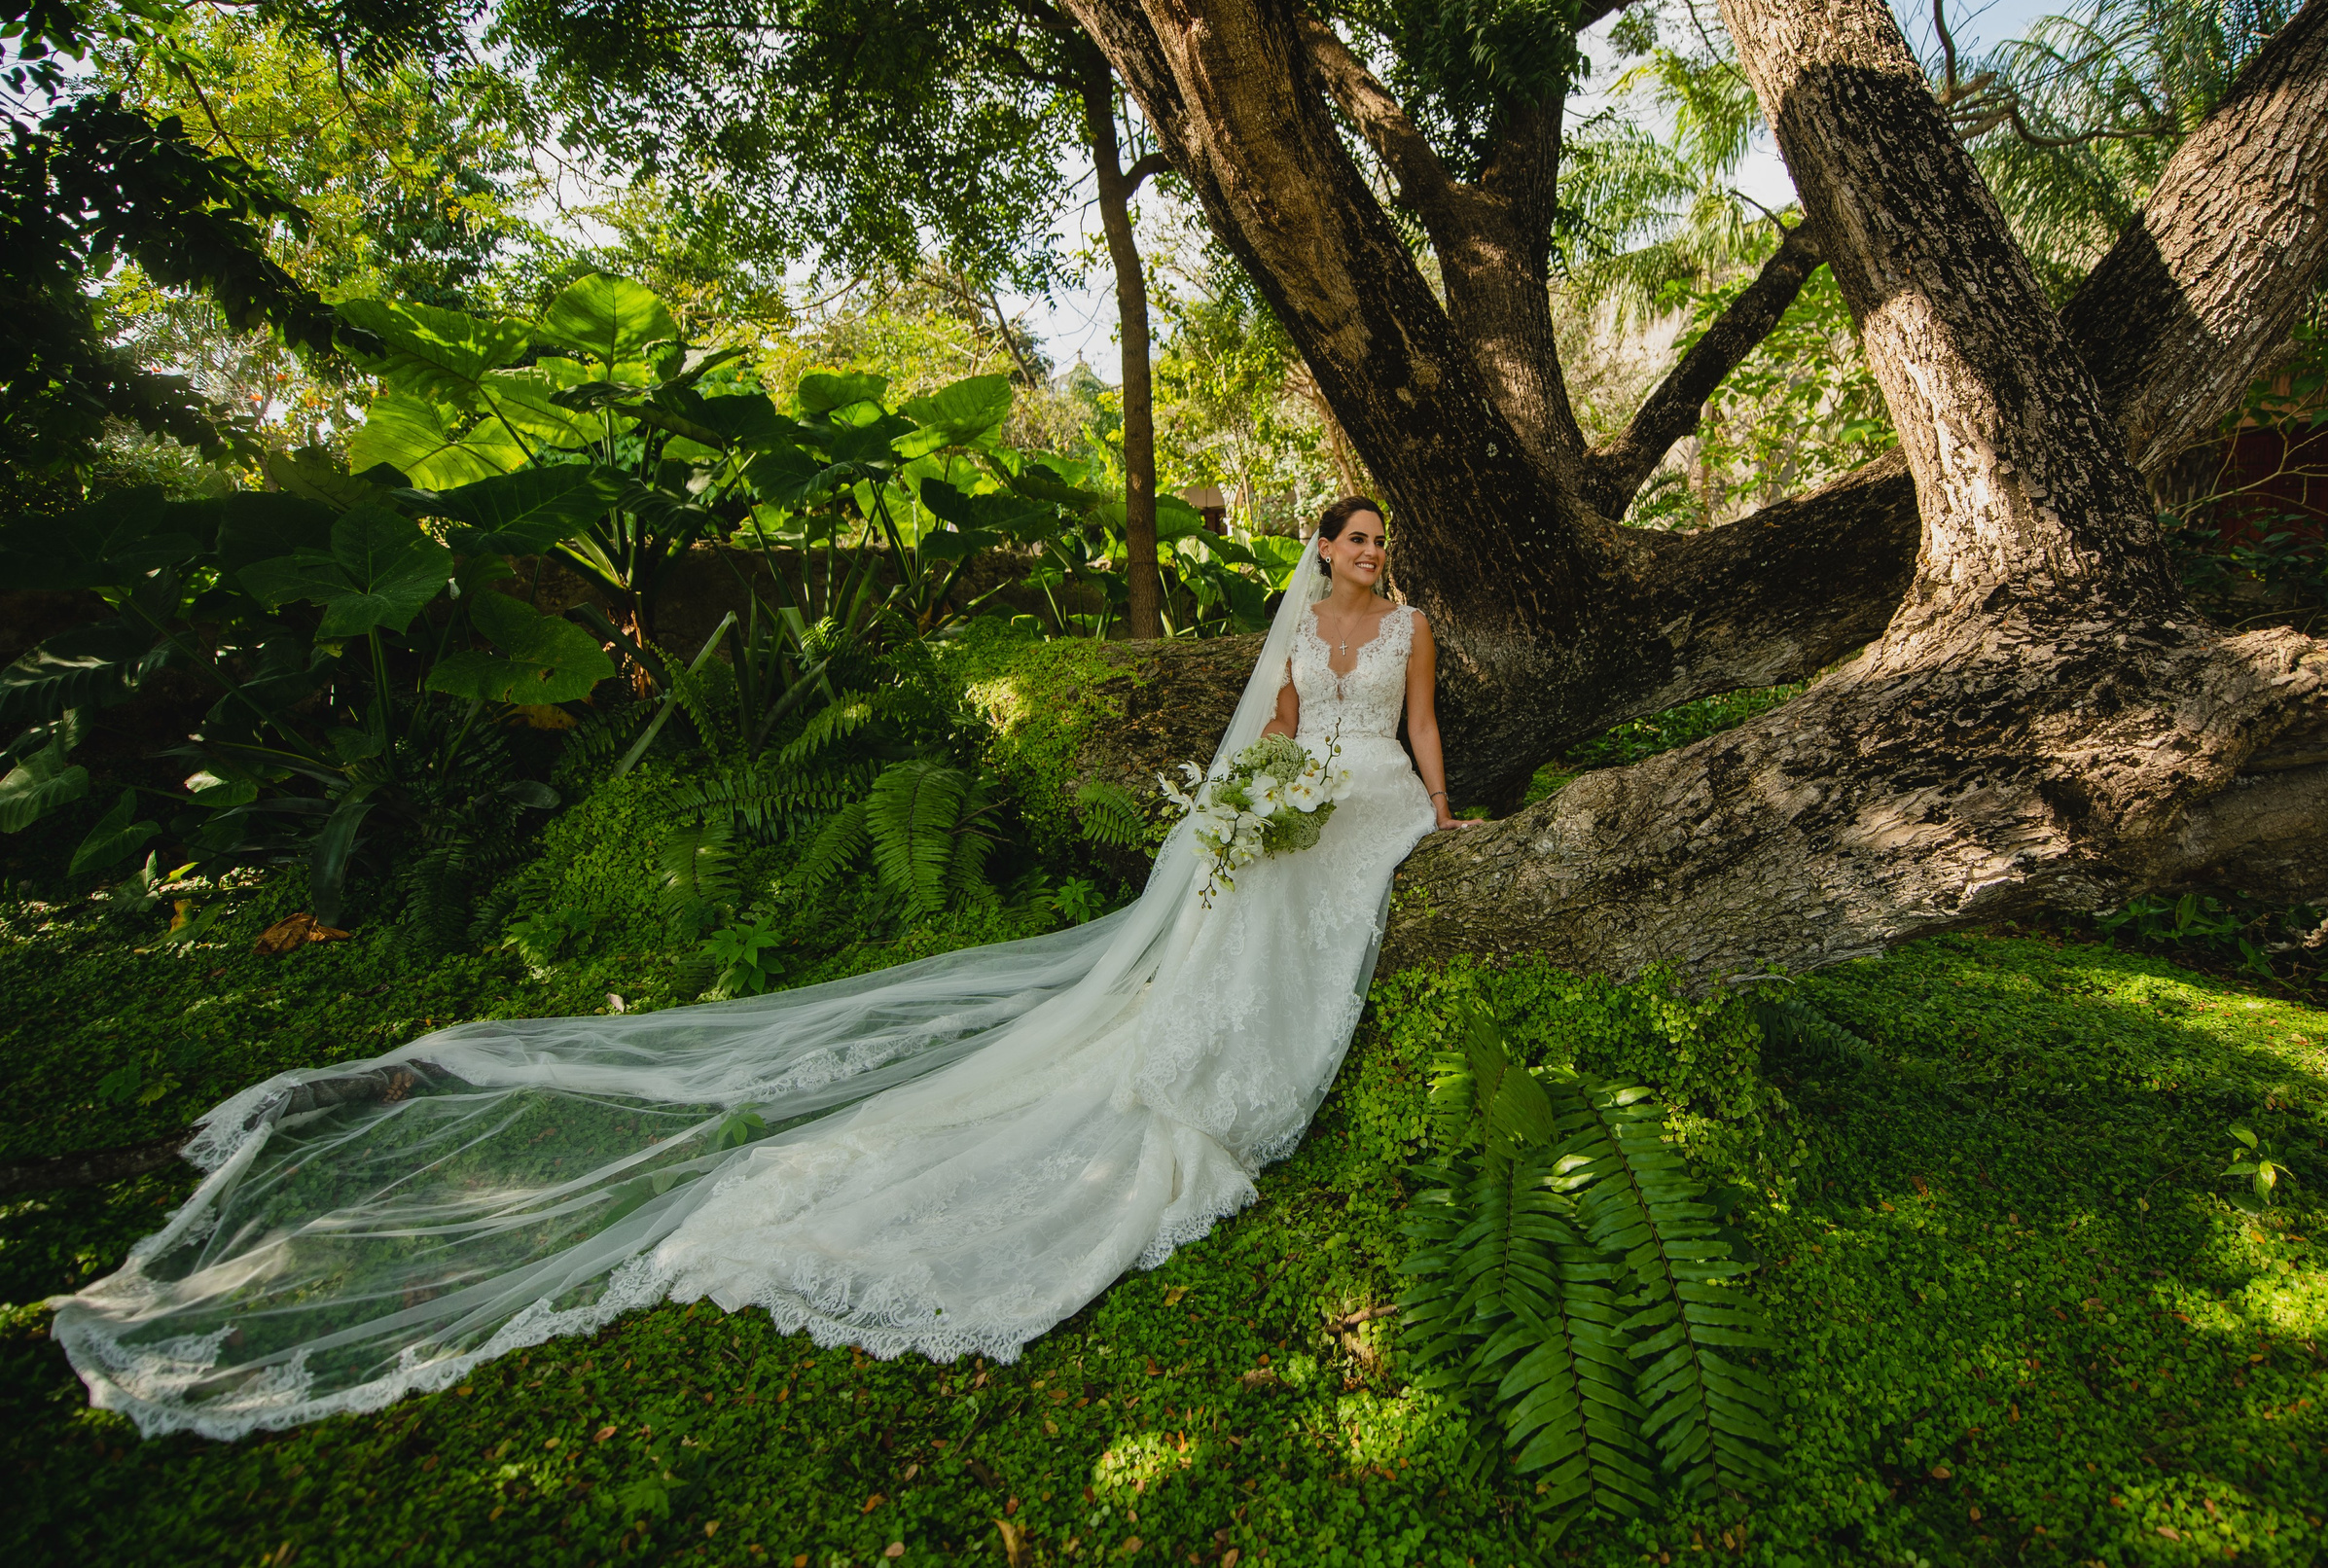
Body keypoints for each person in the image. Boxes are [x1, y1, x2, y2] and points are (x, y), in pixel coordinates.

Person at [53, 497, 1474, 1440]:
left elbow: (1410, 735)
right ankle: (1195, 1031)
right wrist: (1245, 801)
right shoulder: (1298, 627)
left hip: (1376, 792)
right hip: (1296, 782)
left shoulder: (1411, 630)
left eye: (1373, 541)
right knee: (1254, 866)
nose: (1363, 554)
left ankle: (1254, 1016)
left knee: (1332, 860)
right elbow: (1278, 726)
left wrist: (1443, 812)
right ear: (1322, 550)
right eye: (1349, 539)